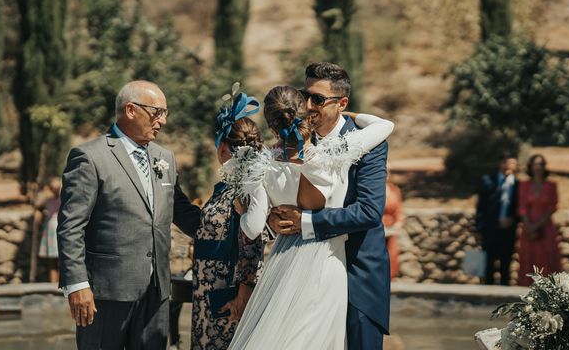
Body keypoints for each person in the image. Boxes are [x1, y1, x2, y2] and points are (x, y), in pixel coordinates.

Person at [229, 83, 394, 349]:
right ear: (306, 114)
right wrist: (352, 114)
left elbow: (251, 228)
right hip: (327, 261)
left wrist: (245, 208)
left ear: (272, 128)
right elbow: (385, 125)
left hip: (285, 259)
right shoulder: (334, 156)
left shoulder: (263, 165)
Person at [57, 80, 201, 350]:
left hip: (157, 291)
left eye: (165, 113)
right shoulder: (89, 157)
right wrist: (76, 285)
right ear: (131, 110)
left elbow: (180, 211)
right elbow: (70, 227)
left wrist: (227, 226)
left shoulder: (165, 158)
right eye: (157, 112)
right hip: (105, 294)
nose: (164, 121)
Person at [190, 89, 265, 350]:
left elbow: (255, 242)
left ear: (223, 148)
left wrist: (243, 294)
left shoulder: (247, 189)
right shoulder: (229, 187)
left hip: (227, 295)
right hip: (208, 291)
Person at [517, 154, 561, 286]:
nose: (538, 167)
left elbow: (552, 207)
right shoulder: (524, 185)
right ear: (530, 166)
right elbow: (522, 206)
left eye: (541, 164)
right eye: (535, 164)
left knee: (546, 257)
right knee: (528, 256)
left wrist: (536, 226)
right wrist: (529, 226)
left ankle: (548, 290)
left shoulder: (551, 185)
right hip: (528, 227)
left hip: (545, 227)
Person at [475, 156, 519, 286]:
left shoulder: (518, 185)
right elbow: (480, 208)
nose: (508, 166)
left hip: (508, 230)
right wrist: (478, 229)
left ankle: (504, 299)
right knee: (488, 264)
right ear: (500, 164)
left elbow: (520, 209)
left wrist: (512, 219)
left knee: (506, 265)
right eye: (505, 162)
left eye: (512, 163)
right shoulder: (488, 181)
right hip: (490, 230)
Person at [36, 177, 62, 283]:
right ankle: (54, 284)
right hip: (52, 231)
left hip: (58, 230)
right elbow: (37, 205)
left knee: (59, 261)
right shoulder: (48, 200)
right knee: (54, 261)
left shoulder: (63, 199)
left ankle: (59, 283)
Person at [383, 176, 404, 280]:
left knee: (392, 256)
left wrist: (398, 223)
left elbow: (398, 209)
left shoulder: (394, 189)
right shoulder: (373, 189)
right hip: (378, 228)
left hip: (391, 229)